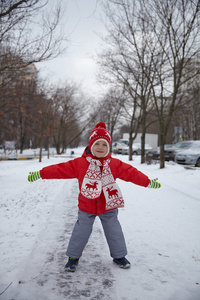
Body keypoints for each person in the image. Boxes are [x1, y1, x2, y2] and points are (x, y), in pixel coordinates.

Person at [28, 122, 161, 272]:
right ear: (91, 145)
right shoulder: (80, 164)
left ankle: (119, 256)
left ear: (108, 147)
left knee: (114, 230)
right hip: (87, 206)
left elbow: (131, 173)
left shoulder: (114, 164)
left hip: (108, 206)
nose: (100, 147)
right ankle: (73, 258)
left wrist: (147, 182)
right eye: (97, 143)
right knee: (81, 232)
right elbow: (60, 169)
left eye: (104, 144)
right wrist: (41, 173)